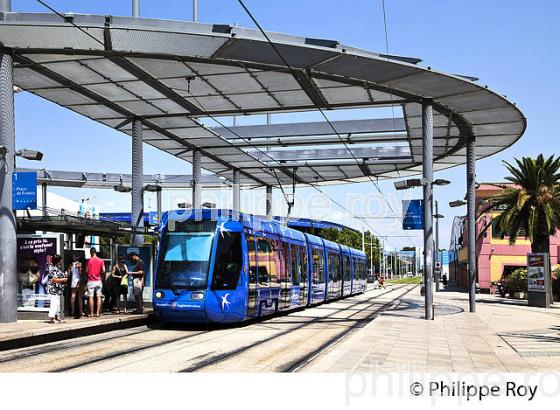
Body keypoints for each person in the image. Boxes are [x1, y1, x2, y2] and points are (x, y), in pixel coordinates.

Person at [46, 255, 67, 324]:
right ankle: (52, 318)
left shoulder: (56, 267)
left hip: (56, 288)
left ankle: (57, 317)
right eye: (60, 260)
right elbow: (53, 280)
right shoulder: (52, 268)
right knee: (54, 303)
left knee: (57, 303)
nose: (61, 261)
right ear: (58, 261)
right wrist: (62, 279)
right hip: (52, 289)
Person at [86, 247, 105, 317]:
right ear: (95, 252)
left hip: (91, 280)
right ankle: (97, 312)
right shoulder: (101, 260)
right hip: (98, 280)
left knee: (91, 296)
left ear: (91, 252)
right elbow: (104, 270)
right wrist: (101, 276)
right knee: (99, 296)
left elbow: (86, 271)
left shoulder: (89, 261)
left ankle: (91, 313)